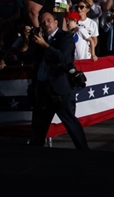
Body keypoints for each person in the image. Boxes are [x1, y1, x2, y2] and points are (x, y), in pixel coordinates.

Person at [27, 12, 89, 150]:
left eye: (49, 21)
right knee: (38, 126)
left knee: (70, 122)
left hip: (60, 89)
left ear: (56, 22)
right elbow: (29, 57)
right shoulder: (39, 39)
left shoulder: (65, 37)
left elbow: (63, 58)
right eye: (43, 22)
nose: (46, 24)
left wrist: (46, 46)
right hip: (42, 88)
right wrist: (27, 40)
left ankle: (84, 151)